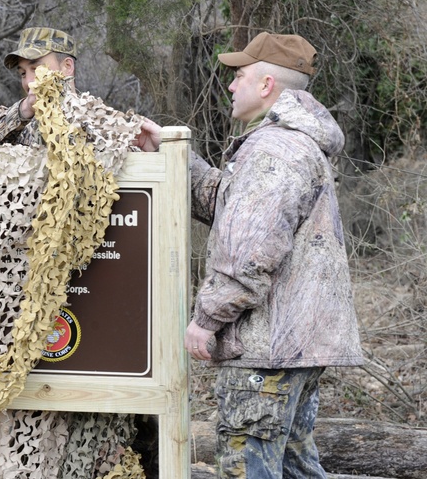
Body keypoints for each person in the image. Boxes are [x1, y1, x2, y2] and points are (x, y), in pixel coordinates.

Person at [138, 31, 363, 478]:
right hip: (291, 349)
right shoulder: (291, 144)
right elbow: (230, 203)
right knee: (296, 467)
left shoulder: (274, 150)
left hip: (267, 351)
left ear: (266, 85)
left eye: (239, 75)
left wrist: (206, 320)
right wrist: (171, 153)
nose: (229, 85)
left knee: (249, 469)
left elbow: (249, 254)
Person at [0, 27, 144, 477]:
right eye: (23, 72)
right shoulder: (16, 123)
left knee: (91, 415)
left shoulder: (98, 119)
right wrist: (24, 113)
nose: (30, 79)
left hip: (93, 282)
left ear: (66, 68)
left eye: (38, 68)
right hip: (25, 287)